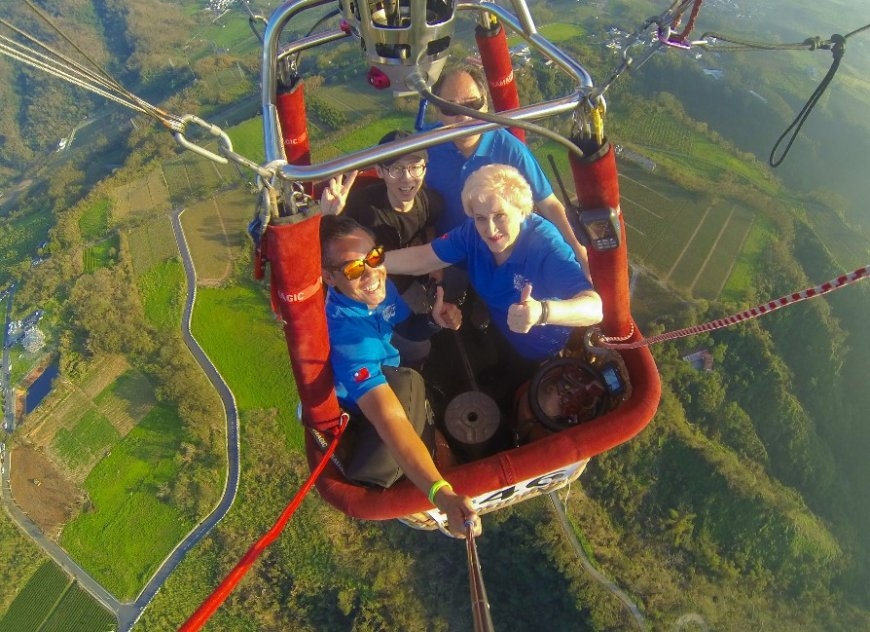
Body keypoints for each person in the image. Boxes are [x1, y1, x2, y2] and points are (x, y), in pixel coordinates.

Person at [320, 214, 479, 537]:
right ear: (329, 277)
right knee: (410, 387)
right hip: (368, 411)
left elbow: (404, 325)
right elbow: (390, 420)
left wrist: (434, 320)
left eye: (374, 257)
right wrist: (441, 494)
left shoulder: (377, 285)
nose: (370, 274)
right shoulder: (348, 339)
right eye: (353, 269)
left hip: (390, 373)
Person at [386, 164, 602, 395]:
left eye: (500, 216)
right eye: (480, 218)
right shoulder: (472, 232)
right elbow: (424, 257)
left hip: (537, 343)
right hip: (501, 325)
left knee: (519, 377)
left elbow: (595, 308)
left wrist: (541, 312)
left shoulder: (545, 246)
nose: (490, 229)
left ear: (521, 211)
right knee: (501, 356)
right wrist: (370, 263)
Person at [424, 66, 590, 274]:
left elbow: (548, 204)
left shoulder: (509, 149)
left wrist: (580, 253)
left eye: (472, 105)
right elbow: (420, 205)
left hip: (500, 260)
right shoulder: (425, 146)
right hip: (450, 259)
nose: (463, 117)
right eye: (451, 108)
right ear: (437, 110)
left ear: (486, 105)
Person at [321, 130, 445, 366]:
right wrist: (329, 216)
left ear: (424, 169)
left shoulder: (431, 202)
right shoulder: (360, 207)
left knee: (444, 298)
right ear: (380, 172)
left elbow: (430, 226)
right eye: (396, 169)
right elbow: (331, 247)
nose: (407, 178)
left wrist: (436, 269)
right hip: (381, 282)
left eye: (415, 167)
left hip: (400, 274)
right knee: (420, 346)